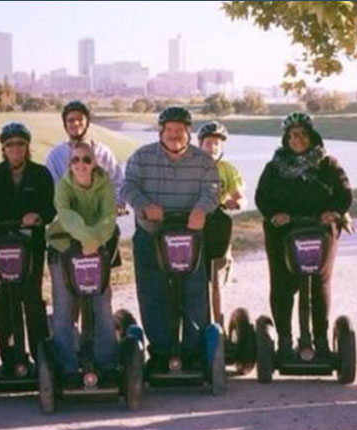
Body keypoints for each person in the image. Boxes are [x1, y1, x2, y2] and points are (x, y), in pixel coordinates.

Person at [122, 106, 220, 372]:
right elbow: (128, 186)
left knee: (193, 292)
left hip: (188, 236)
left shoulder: (203, 160)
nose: (174, 134)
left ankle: (192, 351)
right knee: (154, 293)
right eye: (170, 130)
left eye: (180, 130)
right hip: (152, 234)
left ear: (188, 131)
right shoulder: (142, 157)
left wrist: (202, 209)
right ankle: (161, 352)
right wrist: (143, 205)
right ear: (161, 131)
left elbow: (212, 189)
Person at [255, 112, 353, 360]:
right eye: (292, 135)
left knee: (319, 282)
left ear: (311, 137)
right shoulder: (274, 167)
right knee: (282, 284)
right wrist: (275, 214)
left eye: (302, 134)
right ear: (286, 139)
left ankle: (320, 341)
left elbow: (344, 193)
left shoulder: (327, 164)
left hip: (320, 229)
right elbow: (261, 197)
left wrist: (334, 212)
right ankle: (285, 341)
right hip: (284, 231)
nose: (297, 139)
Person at [0, 122, 56, 372]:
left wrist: (38, 217)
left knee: (31, 297)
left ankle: (40, 353)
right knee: (5, 299)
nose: (15, 149)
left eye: (20, 144)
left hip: (31, 244)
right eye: (10, 145)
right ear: (3, 148)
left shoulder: (40, 174)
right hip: (0, 246)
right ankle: (10, 357)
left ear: (27, 146)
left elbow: (51, 209)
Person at [46, 140, 119, 385]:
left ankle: (108, 364)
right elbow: (66, 216)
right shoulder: (63, 185)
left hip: (95, 251)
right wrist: (89, 238)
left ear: (94, 162)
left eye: (86, 160)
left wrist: (95, 242)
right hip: (64, 249)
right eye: (75, 160)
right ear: (69, 164)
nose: (81, 165)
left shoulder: (105, 183)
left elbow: (109, 217)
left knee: (102, 306)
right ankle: (67, 368)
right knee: (64, 309)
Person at [197, 121, 245, 323]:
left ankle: (218, 323)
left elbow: (239, 195)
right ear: (200, 144)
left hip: (218, 225)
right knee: (194, 277)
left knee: (216, 277)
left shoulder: (228, 169)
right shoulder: (191, 167)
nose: (213, 147)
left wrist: (238, 202)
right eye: (209, 142)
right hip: (195, 224)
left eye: (217, 143)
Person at [44, 100, 124, 206]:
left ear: (87, 123)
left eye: (80, 119)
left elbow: (118, 183)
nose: (76, 123)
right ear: (65, 124)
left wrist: (116, 204)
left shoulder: (103, 152)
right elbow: (52, 188)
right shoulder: (55, 156)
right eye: (71, 120)